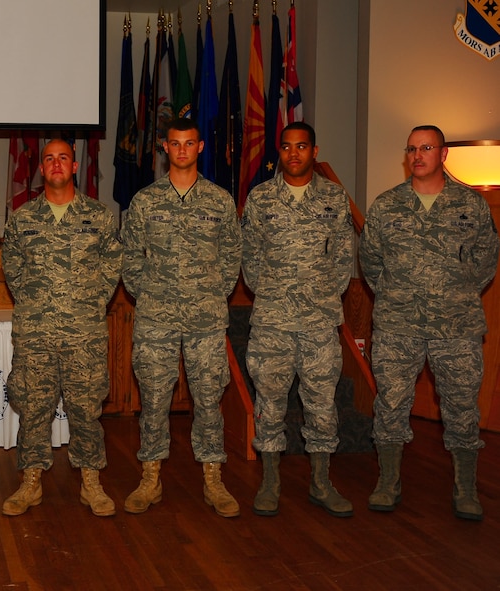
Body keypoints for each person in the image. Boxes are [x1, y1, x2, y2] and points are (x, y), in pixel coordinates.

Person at [359, 125, 499, 521]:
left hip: (456, 328)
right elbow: (370, 262)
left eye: (427, 148)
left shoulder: (470, 205)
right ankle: (388, 482)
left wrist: (454, 293)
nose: (418, 155)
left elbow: (487, 259)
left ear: (443, 154)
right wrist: (395, 294)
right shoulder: (387, 206)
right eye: (412, 148)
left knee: (461, 408)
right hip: (397, 326)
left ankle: (465, 488)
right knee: (390, 406)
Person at [120, 118, 242, 517]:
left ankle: (213, 478)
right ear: (164, 148)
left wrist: (209, 293)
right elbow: (130, 258)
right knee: (154, 399)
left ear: (200, 147)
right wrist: (150, 293)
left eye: (190, 143)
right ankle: (150, 477)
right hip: (155, 318)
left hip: (206, 319)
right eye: (175, 144)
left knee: (209, 399)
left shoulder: (219, 200)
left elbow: (231, 257)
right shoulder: (145, 201)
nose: (182, 150)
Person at [0, 139, 122, 517]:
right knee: (33, 407)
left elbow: (111, 268)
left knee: (86, 409)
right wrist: (40, 305)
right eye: (48, 159)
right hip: (35, 331)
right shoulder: (22, 219)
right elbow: (13, 271)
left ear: (73, 167)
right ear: (40, 169)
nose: (55, 164)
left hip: (83, 333)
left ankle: (91, 481)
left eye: (63, 158)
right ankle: (31, 481)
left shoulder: (99, 217)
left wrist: (85, 304)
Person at [241, 121, 355, 518]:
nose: (294, 154)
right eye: (287, 147)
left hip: (320, 324)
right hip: (272, 321)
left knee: (322, 405)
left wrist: (320, 296)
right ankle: (270, 482)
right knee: (269, 404)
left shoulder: (335, 198)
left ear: (314, 151)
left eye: (301, 146)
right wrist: (274, 293)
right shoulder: (261, 198)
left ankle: (321, 482)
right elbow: (250, 259)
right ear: (280, 152)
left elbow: (344, 257)